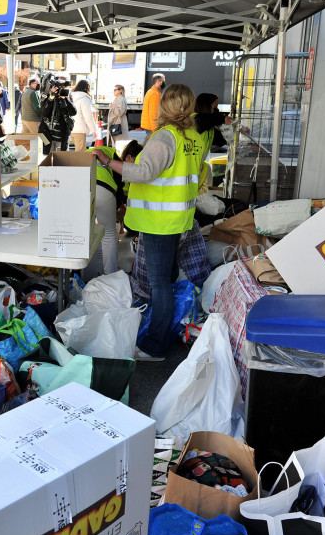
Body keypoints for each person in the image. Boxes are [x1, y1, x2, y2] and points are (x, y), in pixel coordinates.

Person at [94, 83, 213, 361]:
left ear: (166, 106)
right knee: (166, 280)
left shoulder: (165, 137)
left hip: (159, 222)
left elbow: (144, 172)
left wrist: (108, 161)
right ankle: (164, 330)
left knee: (160, 284)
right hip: (177, 219)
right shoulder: (191, 136)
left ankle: (156, 345)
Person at [40, 82, 76, 152]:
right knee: (48, 157)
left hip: (61, 134)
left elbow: (73, 112)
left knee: (61, 158)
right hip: (46, 133)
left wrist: (64, 99)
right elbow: (43, 113)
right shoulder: (46, 95)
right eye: (56, 88)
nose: (59, 90)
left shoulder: (66, 97)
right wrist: (51, 98)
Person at [70, 79, 97, 151]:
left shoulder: (71, 97)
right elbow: (88, 116)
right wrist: (93, 130)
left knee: (77, 151)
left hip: (71, 128)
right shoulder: (84, 99)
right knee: (80, 153)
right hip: (80, 129)